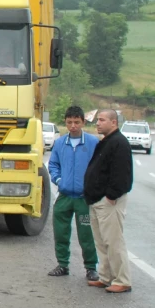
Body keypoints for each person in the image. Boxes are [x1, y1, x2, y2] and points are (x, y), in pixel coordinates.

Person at [84, 108, 134, 293]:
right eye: (97, 120)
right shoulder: (105, 142)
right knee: (101, 241)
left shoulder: (119, 143)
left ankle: (122, 279)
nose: (97, 123)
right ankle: (106, 277)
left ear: (114, 122)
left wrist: (111, 196)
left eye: (102, 120)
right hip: (96, 200)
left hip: (109, 202)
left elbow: (122, 175)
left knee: (113, 241)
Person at [47, 104, 99, 280]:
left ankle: (91, 267)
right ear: (65, 123)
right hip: (65, 196)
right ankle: (62, 264)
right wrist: (59, 180)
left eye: (77, 122)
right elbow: (53, 164)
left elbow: (99, 166)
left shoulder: (92, 143)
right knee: (61, 231)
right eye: (69, 122)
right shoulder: (60, 143)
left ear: (83, 122)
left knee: (87, 234)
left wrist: (93, 186)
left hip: (84, 198)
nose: (73, 126)